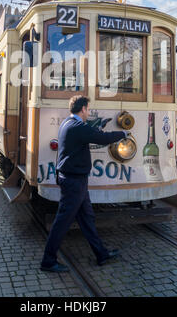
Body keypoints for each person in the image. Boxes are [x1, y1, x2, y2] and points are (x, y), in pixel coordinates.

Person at [40, 95, 127, 272]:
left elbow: (88, 132)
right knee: (62, 222)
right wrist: (122, 134)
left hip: (74, 180)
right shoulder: (77, 127)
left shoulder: (68, 123)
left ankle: (101, 254)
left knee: (87, 219)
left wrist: (99, 126)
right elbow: (100, 139)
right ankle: (48, 261)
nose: (88, 112)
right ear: (83, 109)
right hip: (74, 182)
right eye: (88, 108)